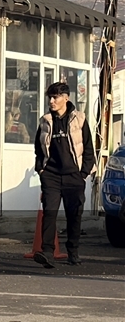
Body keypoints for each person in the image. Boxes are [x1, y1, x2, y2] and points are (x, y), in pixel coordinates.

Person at [33, 82, 95, 268]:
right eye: (50, 97)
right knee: (49, 214)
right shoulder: (45, 121)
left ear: (66, 98)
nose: (51, 101)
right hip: (51, 176)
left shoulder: (80, 120)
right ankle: (47, 253)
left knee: (73, 215)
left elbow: (89, 149)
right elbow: (38, 149)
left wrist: (82, 174)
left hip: (73, 176)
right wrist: (41, 170)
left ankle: (73, 252)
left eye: (55, 97)